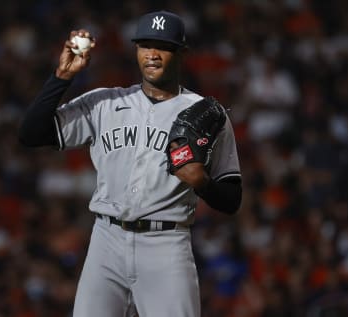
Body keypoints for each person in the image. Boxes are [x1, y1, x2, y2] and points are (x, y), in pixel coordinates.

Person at [18, 10, 242, 317]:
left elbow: (232, 199)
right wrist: (62, 77)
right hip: (106, 241)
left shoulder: (205, 114)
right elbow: (31, 134)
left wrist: (202, 183)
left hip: (166, 243)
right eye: (145, 44)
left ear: (181, 53)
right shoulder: (105, 102)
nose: (152, 54)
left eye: (162, 46)